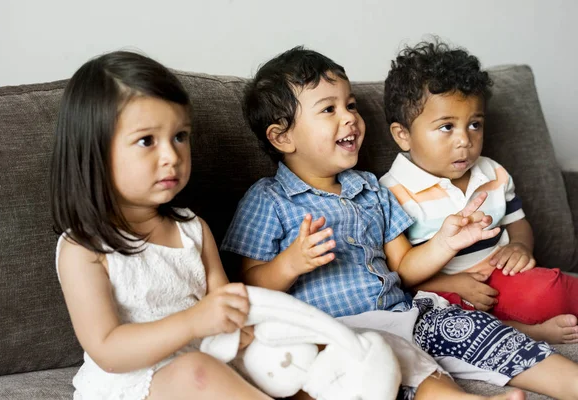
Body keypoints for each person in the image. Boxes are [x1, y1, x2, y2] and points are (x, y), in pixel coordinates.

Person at [221, 45, 578, 400]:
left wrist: (444, 243)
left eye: (351, 105)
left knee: (480, 331)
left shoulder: (372, 190)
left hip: (405, 313)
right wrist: (291, 263)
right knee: (402, 367)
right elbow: (248, 286)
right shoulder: (268, 199)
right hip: (335, 332)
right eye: (329, 109)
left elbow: (404, 267)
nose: (349, 117)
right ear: (282, 136)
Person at [50, 51, 270, 400]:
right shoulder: (84, 248)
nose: (172, 155)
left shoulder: (193, 229)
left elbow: (224, 306)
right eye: (147, 141)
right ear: (95, 152)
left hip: (206, 367)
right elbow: (107, 349)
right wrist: (193, 322)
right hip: (131, 383)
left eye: (180, 136)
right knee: (196, 373)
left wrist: (244, 328)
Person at [379, 39, 578, 345]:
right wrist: (452, 284)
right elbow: (399, 272)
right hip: (442, 289)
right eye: (447, 127)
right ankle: (528, 332)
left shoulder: (491, 172)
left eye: (474, 124)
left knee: (551, 290)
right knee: (434, 317)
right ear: (403, 135)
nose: (464, 140)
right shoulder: (392, 192)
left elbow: (517, 221)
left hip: (500, 275)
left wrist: (521, 247)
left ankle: (525, 323)